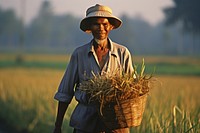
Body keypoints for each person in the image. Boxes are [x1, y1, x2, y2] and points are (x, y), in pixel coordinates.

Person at [53, 4, 134, 133]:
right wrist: (58, 126)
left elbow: (132, 90)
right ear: (90, 27)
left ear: (111, 26)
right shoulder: (79, 54)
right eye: (96, 24)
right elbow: (65, 93)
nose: (101, 28)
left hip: (115, 124)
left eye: (105, 24)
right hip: (85, 123)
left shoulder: (122, 53)